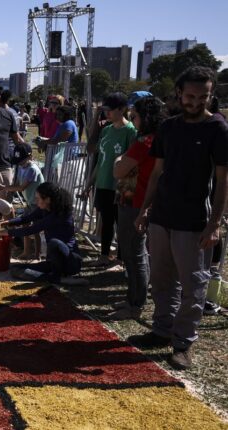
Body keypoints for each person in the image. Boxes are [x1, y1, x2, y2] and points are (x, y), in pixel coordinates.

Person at [130, 66, 228, 370]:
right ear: (178, 93)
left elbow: (223, 180)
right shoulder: (169, 127)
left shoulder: (218, 129)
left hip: (195, 220)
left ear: (211, 95)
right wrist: (146, 208)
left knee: (193, 285)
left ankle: (183, 341)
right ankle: (161, 330)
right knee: (161, 279)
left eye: (203, 96)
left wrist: (216, 224)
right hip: (161, 216)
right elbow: (158, 172)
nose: (196, 102)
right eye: (190, 95)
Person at [108, 95, 164, 320]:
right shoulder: (155, 140)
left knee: (135, 254)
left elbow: (119, 170)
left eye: (135, 116)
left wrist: (119, 158)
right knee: (133, 254)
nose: (133, 120)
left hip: (135, 202)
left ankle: (136, 303)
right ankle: (134, 298)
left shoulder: (145, 143)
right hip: (137, 201)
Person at [0, 182, 85, 285]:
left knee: (55, 243)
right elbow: (27, 218)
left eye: (38, 198)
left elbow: (31, 230)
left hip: (70, 262)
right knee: (15, 269)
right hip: (53, 262)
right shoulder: (45, 208)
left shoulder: (59, 216)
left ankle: (58, 277)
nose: (36, 201)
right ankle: (52, 278)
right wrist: (9, 222)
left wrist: (5, 232)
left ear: (48, 199)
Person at [84, 93, 137, 266]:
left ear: (122, 109)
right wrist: (90, 184)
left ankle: (121, 258)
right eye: (105, 110)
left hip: (119, 186)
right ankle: (104, 255)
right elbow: (100, 159)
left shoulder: (130, 131)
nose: (107, 114)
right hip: (103, 184)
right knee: (106, 221)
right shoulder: (106, 130)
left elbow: (131, 163)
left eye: (110, 110)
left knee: (120, 223)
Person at [0, 142, 44, 260]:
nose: (21, 164)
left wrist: (4, 187)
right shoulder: (21, 168)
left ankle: (37, 255)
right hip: (30, 203)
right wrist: (4, 187)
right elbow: (16, 184)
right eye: (19, 162)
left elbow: (21, 187)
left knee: (35, 229)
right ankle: (26, 251)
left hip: (38, 204)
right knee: (25, 225)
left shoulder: (32, 169)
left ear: (30, 156)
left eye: (23, 161)